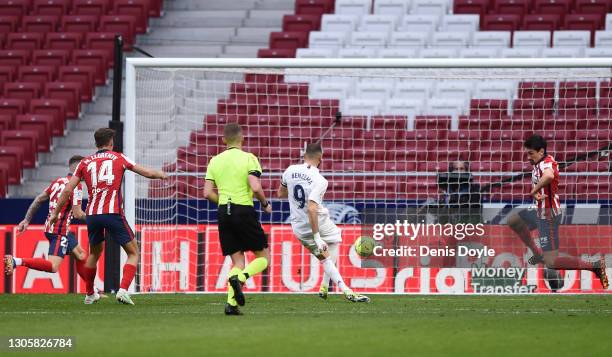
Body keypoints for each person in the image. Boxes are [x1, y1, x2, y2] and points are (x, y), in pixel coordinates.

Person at [49, 128, 167, 305]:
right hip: (112, 213)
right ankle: (123, 290)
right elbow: (148, 173)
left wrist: (55, 213)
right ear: (111, 143)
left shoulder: (85, 162)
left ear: (96, 143)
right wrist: (162, 174)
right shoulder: (119, 157)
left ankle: (89, 294)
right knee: (134, 252)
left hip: (93, 215)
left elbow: (67, 190)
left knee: (94, 254)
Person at [507, 134, 608, 289]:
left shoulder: (545, 164)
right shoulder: (543, 161)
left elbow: (548, 176)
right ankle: (536, 252)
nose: (528, 157)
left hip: (548, 215)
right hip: (538, 210)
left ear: (541, 152)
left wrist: (534, 190)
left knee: (551, 263)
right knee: (514, 220)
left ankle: (594, 265)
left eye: (530, 153)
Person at [278, 142, 370, 302]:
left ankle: (324, 287)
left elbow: (280, 194)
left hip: (298, 226)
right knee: (332, 245)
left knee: (329, 250)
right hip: (317, 222)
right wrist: (317, 237)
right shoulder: (320, 180)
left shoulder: (289, 170)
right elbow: (312, 208)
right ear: (320, 157)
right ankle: (345, 290)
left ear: (303, 155)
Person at [203, 123, 272, 316]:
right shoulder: (249, 158)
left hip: (224, 212)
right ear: (242, 138)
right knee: (263, 257)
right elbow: (255, 186)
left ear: (223, 140)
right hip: (244, 210)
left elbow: (207, 192)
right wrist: (265, 204)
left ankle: (231, 305)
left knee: (238, 261)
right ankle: (241, 278)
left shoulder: (214, 161)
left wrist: (223, 204)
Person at [5, 156, 90, 287]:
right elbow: (78, 214)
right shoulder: (76, 186)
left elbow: (39, 199)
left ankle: (92, 292)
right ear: (78, 167)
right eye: (85, 168)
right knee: (53, 266)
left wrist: (26, 220)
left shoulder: (57, 182)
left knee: (81, 254)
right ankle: (16, 261)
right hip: (59, 232)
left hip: (54, 228)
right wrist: (96, 218)